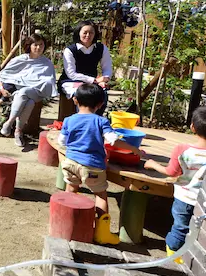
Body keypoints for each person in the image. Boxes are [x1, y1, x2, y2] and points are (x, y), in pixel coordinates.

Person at [144, 106, 206, 261]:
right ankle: (190, 255)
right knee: (201, 229)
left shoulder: (183, 149)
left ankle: (173, 256)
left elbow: (171, 173)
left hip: (185, 197)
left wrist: (152, 164)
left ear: (193, 127)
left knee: (180, 227)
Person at [58, 83, 143, 245]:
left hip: (70, 163)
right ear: (100, 104)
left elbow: (61, 141)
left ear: (75, 100)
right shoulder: (101, 121)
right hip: (92, 166)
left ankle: (69, 224)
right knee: (100, 195)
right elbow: (113, 140)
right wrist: (134, 149)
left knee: (71, 189)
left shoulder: (69, 120)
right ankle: (101, 233)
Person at [0, 33, 57, 147]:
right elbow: (3, 75)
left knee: (24, 92)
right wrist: (1, 89)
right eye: (35, 45)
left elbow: (49, 82)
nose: (38, 47)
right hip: (19, 93)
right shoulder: (20, 59)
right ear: (29, 45)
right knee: (28, 101)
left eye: (41, 45)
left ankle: (9, 122)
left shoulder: (47, 63)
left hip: (37, 92)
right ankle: (18, 131)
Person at [58, 20, 113, 114]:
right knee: (82, 96)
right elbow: (71, 74)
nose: (88, 35)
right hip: (71, 81)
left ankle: (95, 122)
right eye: (85, 32)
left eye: (91, 32)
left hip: (93, 83)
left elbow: (107, 67)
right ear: (78, 33)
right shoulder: (70, 50)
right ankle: (81, 124)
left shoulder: (101, 48)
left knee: (102, 94)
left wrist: (105, 79)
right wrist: (94, 80)